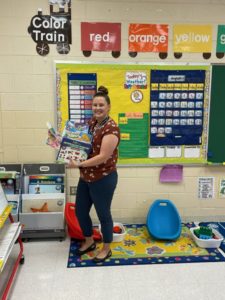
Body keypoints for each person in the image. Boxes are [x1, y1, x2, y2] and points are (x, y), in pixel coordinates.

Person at [67, 86, 120, 263]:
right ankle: (89, 241)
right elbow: (82, 143)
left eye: (101, 105)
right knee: (81, 211)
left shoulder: (111, 128)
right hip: (86, 177)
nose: (97, 108)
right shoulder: (92, 123)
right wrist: (66, 147)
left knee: (103, 214)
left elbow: (103, 156)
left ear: (109, 107)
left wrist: (79, 163)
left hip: (103, 178)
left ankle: (106, 248)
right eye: (95, 105)